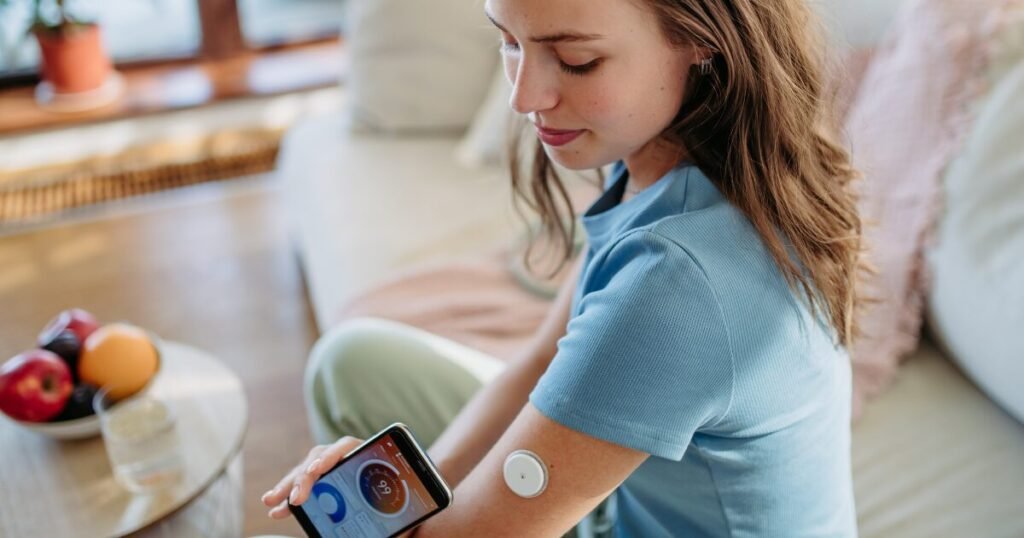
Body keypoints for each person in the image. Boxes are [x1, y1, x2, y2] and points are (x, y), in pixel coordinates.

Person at [262, 0, 863, 535]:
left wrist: (402, 523)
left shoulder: (677, 287)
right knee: (351, 360)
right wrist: (423, 489)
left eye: (575, 61)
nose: (523, 98)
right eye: (509, 41)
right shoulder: (677, 163)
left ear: (705, 39)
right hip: (619, 504)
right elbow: (541, 361)